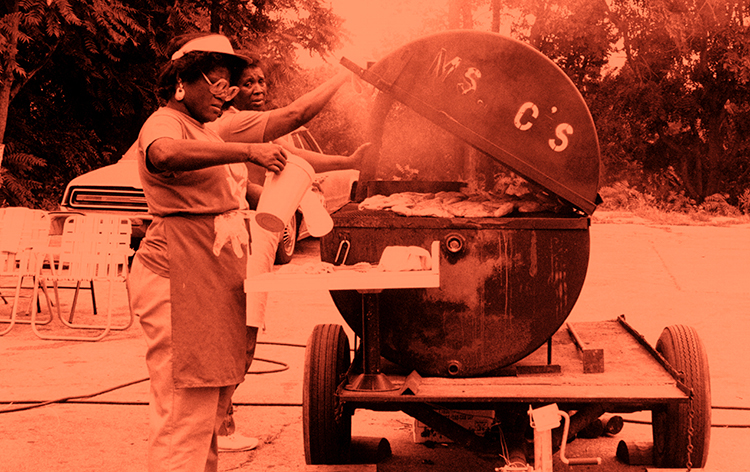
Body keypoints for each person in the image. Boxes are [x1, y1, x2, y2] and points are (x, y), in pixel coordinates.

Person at [126, 32, 291, 472]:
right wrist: (246, 149)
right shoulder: (164, 122)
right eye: (217, 82)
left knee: (209, 411)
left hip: (208, 280)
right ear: (183, 80)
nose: (227, 95)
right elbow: (163, 154)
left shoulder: (202, 127)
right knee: (185, 412)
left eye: (231, 86)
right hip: (178, 280)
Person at [206, 55, 369, 452]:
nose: (258, 89)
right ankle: (218, 426)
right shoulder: (231, 122)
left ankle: (220, 421)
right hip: (232, 243)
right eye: (248, 83)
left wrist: (345, 162)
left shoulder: (248, 129)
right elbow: (299, 112)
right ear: (229, 91)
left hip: (252, 242)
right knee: (236, 334)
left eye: (261, 81)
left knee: (246, 333)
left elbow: (296, 159)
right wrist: (344, 76)